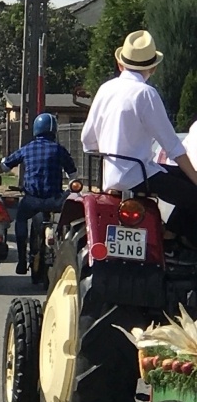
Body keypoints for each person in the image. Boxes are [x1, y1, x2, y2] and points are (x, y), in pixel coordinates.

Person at [81, 29, 197, 253]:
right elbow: (172, 146)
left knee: (179, 179)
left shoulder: (106, 89)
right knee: (192, 195)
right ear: (152, 68)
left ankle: (170, 235)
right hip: (140, 175)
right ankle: (172, 237)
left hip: (110, 177)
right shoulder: (146, 94)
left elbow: (88, 140)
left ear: (120, 63)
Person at [1, 113, 78, 274]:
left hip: (32, 200)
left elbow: (6, 166)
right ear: (54, 131)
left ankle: (22, 261)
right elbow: (72, 174)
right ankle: (63, 246)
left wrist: (2, 162)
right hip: (54, 201)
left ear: (36, 129)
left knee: (21, 219)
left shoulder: (28, 148)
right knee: (66, 218)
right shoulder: (59, 149)